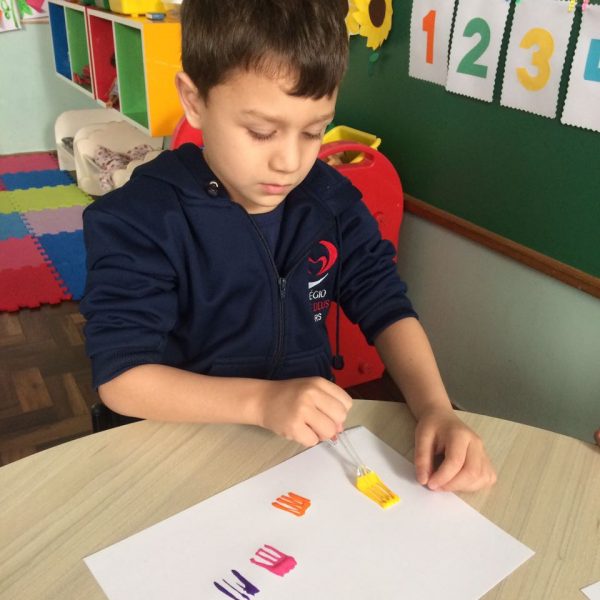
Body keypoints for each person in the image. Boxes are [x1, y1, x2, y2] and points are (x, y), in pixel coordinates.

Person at [81, 0, 496, 493]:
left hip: (298, 453)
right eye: (261, 132)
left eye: (313, 131)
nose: (290, 161)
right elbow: (122, 377)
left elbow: (386, 305)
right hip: (177, 456)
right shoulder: (142, 218)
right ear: (194, 100)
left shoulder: (331, 203)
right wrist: (262, 402)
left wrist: (436, 408)